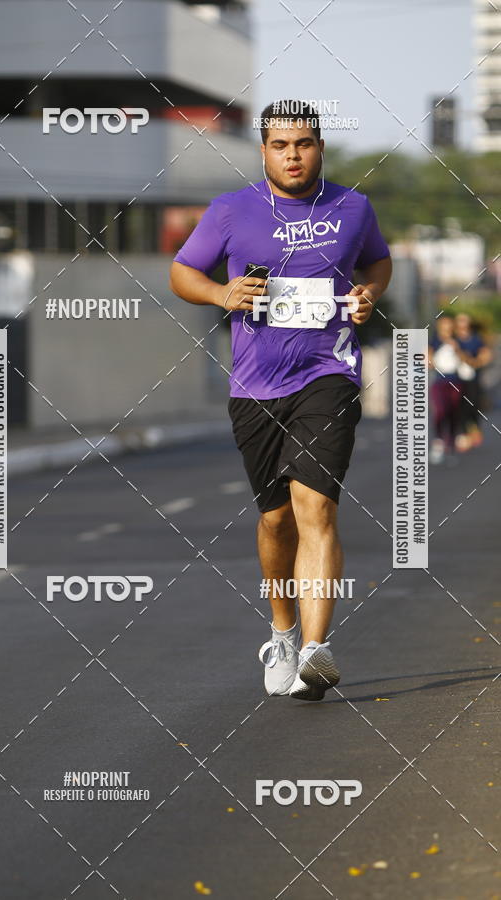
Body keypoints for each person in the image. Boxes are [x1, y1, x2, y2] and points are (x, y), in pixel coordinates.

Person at [169, 101, 392, 701]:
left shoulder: (353, 207)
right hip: (255, 384)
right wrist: (221, 293)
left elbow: (378, 259)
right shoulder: (230, 211)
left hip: (329, 374)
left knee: (315, 507)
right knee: (275, 519)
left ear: (321, 147)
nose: (293, 155)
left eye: (304, 143)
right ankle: (285, 632)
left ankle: (318, 651)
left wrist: (368, 294)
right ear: (264, 151)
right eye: (280, 145)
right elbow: (182, 271)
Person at [453, 313, 492, 451]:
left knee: (473, 404)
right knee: (459, 406)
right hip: (454, 379)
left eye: (465, 322)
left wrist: (473, 361)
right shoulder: (452, 340)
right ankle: (463, 434)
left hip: (473, 379)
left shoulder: (476, 339)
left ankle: (473, 430)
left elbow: (485, 356)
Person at [428, 314, 462, 464]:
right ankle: (439, 442)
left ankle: (452, 445)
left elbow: (467, 360)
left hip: (456, 381)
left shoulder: (458, 342)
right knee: (440, 411)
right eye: (444, 324)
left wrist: (457, 349)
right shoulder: (434, 341)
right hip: (439, 382)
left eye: (449, 324)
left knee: (453, 413)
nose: (447, 327)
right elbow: (428, 361)